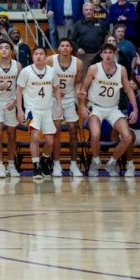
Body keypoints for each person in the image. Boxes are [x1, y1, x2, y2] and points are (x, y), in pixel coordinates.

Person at [80, 43, 138, 177]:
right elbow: (83, 89)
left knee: (128, 136)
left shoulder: (122, 69)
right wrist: (82, 106)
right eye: (105, 52)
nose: (107, 55)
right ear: (101, 55)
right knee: (95, 134)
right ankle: (95, 161)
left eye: (110, 52)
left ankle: (111, 162)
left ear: (114, 54)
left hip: (113, 108)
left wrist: (135, 109)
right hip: (95, 107)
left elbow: (129, 90)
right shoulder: (94, 68)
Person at [16, 46, 59, 181]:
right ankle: (36, 166)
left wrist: (59, 105)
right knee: (34, 136)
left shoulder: (52, 71)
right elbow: (18, 91)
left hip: (47, 109)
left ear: (46, 57)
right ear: (33, 56)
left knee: (50, 141)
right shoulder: (26, 71)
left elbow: (57, 88)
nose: (38, 56)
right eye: (36, 54)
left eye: (41, 54)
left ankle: (45, 159)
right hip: (32, 110)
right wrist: (20, 110)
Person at [50, 38, 84, 177]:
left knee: (73, 130)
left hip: (70, 99)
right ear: (58, 48)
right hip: (53, 99)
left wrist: (78, 93)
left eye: (67, 46)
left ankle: (74, 165)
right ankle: (56, 164)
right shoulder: (50, 61)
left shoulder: (78, 63)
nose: (65, 48)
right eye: (62, 45)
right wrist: (54, 91)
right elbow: (43, 80)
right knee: (55, 132)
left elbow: (77, 82)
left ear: (71, 49)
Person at [0, 40, 21, 179]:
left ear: (11, 51)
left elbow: (21, 88)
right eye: (1, 48)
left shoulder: (18, 66)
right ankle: (0, 165)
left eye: (7, 48)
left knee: (12, 135)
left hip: (11, 102)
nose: (4, 50)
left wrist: (15, 102)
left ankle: (11, 165)